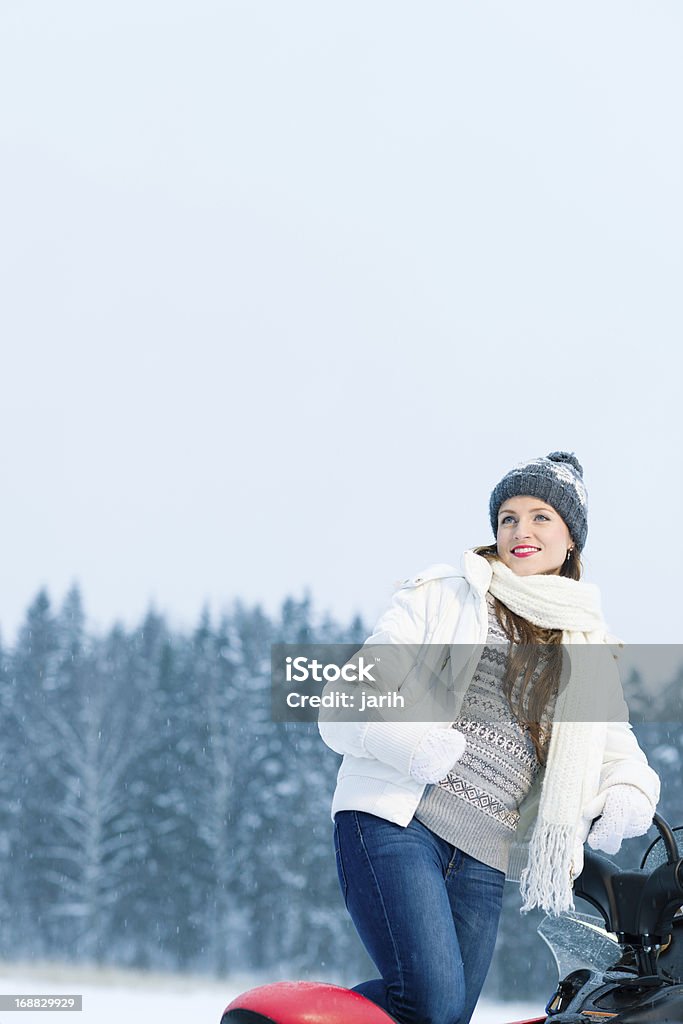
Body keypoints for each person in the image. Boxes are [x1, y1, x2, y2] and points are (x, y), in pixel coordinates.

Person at [318, 451, 660, 1024]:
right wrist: (411, 741)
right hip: (399, 824)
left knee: (445, 1016)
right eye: (507, 518)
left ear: (571, 538)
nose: (520, 531)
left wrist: (629, 789)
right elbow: (345, 699)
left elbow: (619, 749)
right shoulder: (445, 595)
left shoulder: (587, 641)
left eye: (539, 517)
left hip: (484, 852)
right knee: (432, 1003)